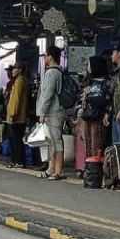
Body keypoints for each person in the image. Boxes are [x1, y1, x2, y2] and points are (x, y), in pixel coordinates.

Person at [38, 46, 67, 180]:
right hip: (56, 111)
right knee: (51, 141)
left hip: (53, 112)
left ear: (50, 56)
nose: (44, 58)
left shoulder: (51, 73)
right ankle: (51, 168)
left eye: (46, 55)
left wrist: (42, 112)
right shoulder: (57, 72)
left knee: (56, 141)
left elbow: (47, 94)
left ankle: (58, 170)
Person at [81, 56, 112, 163]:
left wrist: (107, 113)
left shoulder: (107, 82)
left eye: (90, 64)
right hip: (87, 116)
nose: (88, 67)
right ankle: (89, 167)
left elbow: (109, 99)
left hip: (99, 117)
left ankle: (97, 167)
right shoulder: (89, 82)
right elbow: (83, 99)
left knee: (96, 143)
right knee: (87, 142)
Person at [5, 63, 29, 168]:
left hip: (16, 117)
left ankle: (17, 161)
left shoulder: (19, 81)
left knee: (15, 140)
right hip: (18, 116)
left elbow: (16, 99)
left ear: (20, 69)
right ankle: (17, 161)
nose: (12, 71)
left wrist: (13, 114)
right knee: (17, 139)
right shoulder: (20, 80)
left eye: (14, 68)